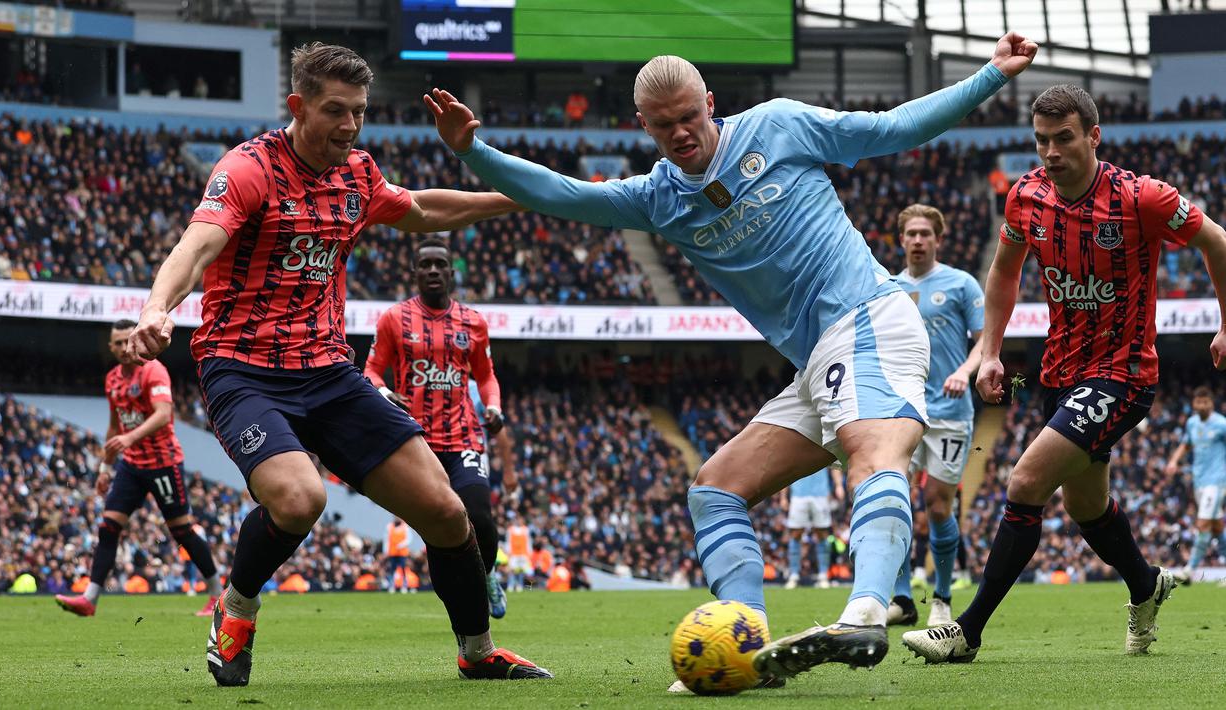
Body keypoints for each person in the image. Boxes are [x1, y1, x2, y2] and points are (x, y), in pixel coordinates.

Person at [426, 31, 1037, 681]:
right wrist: (473, 150)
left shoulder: (777, 126)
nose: (681, 133)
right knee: (715, 490)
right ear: (644, 127)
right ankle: (743, 639)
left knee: (871, 451)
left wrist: (989, 75)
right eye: (664, 126)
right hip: (817, 364)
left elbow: (893, 127)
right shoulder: (657, 199)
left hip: (869, 319)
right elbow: (562, 195)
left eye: (690, 116)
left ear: (709, 103)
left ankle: (865, 611)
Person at [126, 42, 550, 686]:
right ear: (297, 106)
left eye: (358, 112)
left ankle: (477, 650)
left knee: (447, 513)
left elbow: (426, 209)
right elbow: (197, 245)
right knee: (299, 499)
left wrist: (525, 197)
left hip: (330, 371)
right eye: (334, 111)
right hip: (243, 369)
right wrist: (158, 307)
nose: (349, 126)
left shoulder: (357, 172)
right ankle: (235, 608)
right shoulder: (248, 169)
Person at [902, 83, 1226, 664]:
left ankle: (966, 631)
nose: (1050, 152)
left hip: (1123, 374)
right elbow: (1004, 273)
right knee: (1087, 508)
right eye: (1041, 140)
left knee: (1025, 483)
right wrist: (993, 351)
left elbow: (1216, 241)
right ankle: (1146, 584)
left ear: (1093, 136)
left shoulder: (1142, 197)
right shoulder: (1026, 197)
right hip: (1057, 373)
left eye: (1064, 139)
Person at [364, 237, 510, 619]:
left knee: (477, 514)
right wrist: (381, 391)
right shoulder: (394, 319)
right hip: (416, 441)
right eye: (424, 264)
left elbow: (487, 376)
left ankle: (488, 573)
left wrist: (492, 406)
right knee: (437, 528)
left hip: (464, 436)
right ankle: (457, 606)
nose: (432, 270)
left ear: (451, 272)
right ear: (415, 272)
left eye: (439, 264)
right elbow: (371, 370)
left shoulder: (473, 322)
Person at [56, 320, 223, 618]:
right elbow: (113, 427)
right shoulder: (112, 379)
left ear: (135, 339)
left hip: (163, 463)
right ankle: (90, 599)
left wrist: (129, 438)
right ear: (110, 347)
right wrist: (105, 468)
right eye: (116, 343)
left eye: (126, 341)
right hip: (131, 465)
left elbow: (163, 414)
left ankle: (216, 595)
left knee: (182, 530)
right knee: (108, 527)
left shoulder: (153, 370)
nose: (122, 348)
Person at [890, 204, 984, 628]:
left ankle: (942, 597)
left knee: (938, 507)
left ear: (938, 239)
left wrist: (965, 371)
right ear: (901, 239)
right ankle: (899, 598)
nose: (917, 240)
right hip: (901, 410)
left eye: (925, 233)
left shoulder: (961, 284)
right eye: (911, 233)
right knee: (891, 501)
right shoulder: (887, 287)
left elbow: (986, 341)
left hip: (949, 412)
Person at [1165, 386, 1226, 585]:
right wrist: (1174, 461)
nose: (1200, 405)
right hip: (1199, 481)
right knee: (1216, 528)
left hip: (1217, 482)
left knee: (1203, 524)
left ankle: (1188, 570)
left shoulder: (1221, 424)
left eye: (1204, 402)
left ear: (1211, 403)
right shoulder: (1192, 423)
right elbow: (1186, 444)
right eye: (1197, 402)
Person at [784, 467, 842, 589]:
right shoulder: (794, 447)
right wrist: (783, 496)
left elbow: (834, 464)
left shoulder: (825, 446)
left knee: (822, 533)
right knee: (795, 533)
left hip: (821, 494)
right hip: (798, 494)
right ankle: (794, 574)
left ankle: (823, 575)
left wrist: (838, 485)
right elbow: (786, 467)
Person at [385, 518, 411, 593]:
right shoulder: (389, 526)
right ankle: (391, 586)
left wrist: (401, 545)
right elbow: (386, 539)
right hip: (392, 552)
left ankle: (404, 585)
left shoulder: (405, 526)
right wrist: (386, 550)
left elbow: (408, 539)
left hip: (402, 552)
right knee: (392, 569)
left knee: (403, 569)